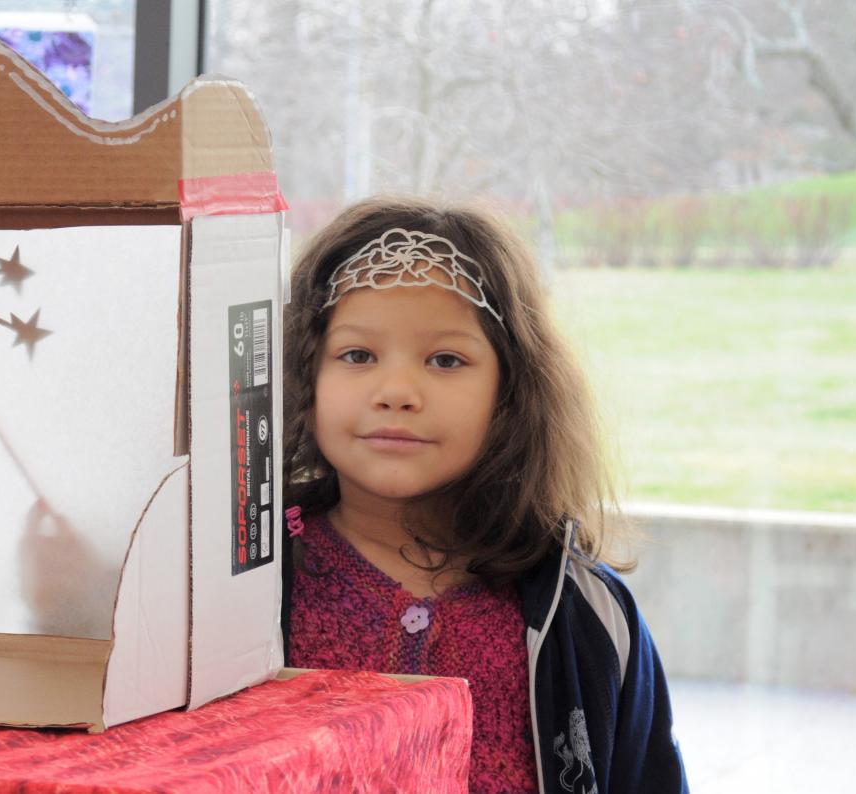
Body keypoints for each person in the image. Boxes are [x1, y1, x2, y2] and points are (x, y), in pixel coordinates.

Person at [281, 196, 688, 793]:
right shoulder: (242, 585)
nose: (396, 391)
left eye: (445, 360)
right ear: (304, 375)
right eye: (358, 355)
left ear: (511, 392)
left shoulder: (586, 612)